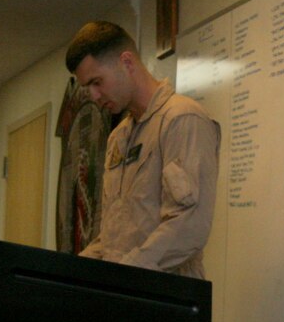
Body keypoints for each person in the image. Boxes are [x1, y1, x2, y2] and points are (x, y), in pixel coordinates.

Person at [65, 20, 220, 278]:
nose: (94, 96)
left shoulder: (182, 119)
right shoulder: (119, 137)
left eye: (97, 82)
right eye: (87, 87)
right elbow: (115, 236)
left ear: (126, 62)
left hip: (165, 296)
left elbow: (188, 225)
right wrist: (71, 272)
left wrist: (124, 273)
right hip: (126, 294)